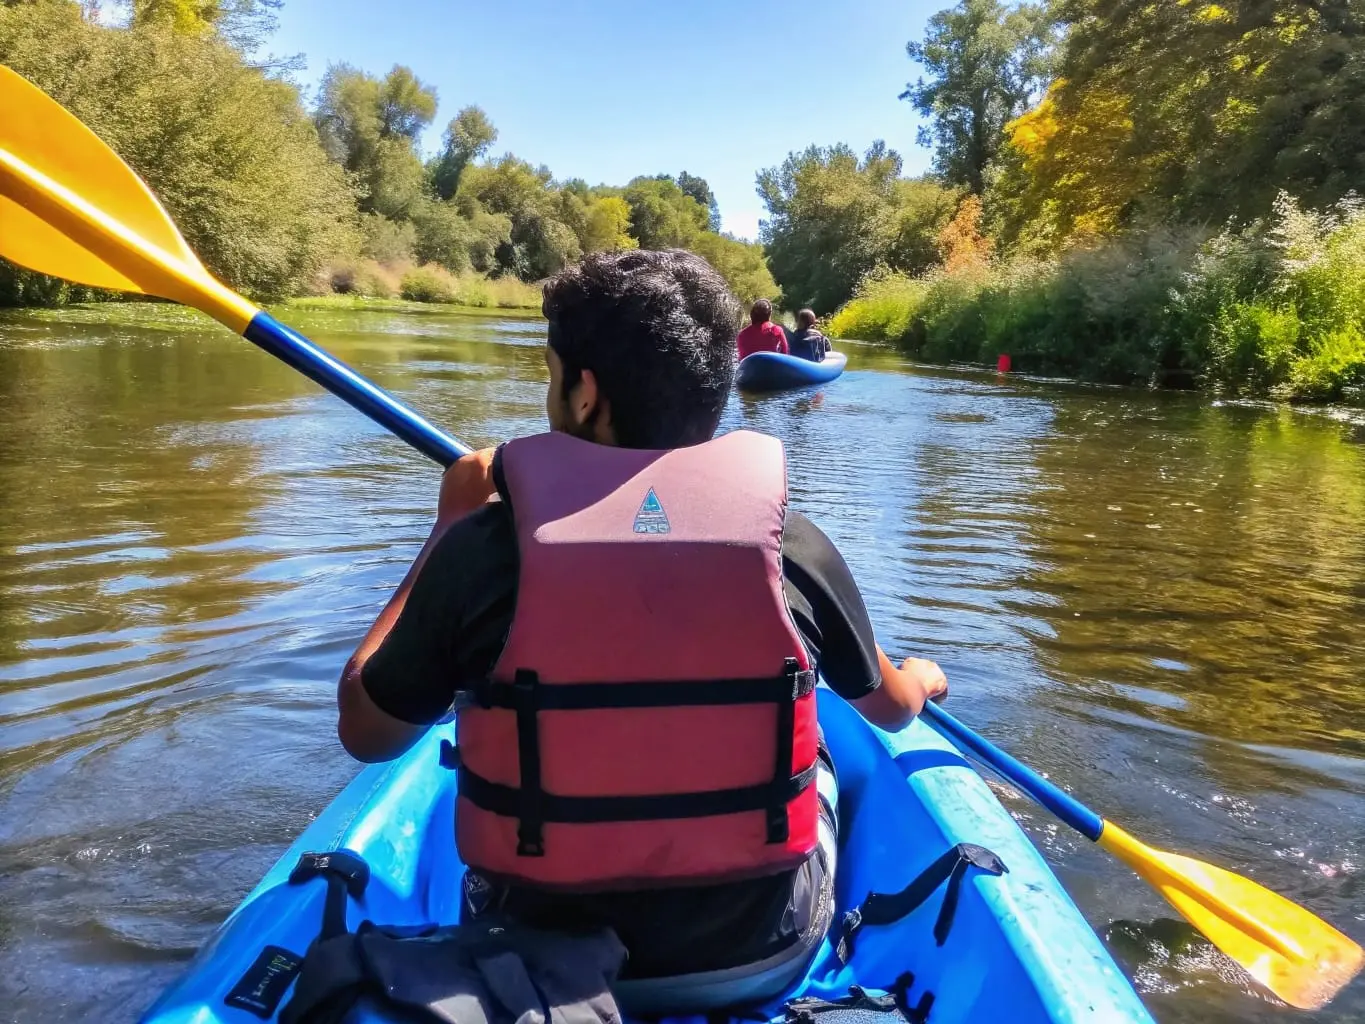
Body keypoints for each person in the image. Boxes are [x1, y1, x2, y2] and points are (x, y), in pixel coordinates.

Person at [335, 249, 947, 1007]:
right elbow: (887, 708)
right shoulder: (791, 544)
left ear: (584, 393)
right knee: (820, 745)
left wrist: (449, 524)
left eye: (550, 372)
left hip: (529, 957)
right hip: (756, 956)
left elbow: (366, 731)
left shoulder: (484, 551)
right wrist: (919, 676)